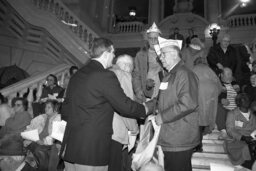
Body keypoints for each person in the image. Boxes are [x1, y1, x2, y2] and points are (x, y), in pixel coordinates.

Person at [60, 38, 153, 171]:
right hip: (92, 151)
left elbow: (66, 111)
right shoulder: (104, 75)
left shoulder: (77, 75)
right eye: (113, 53)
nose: (114, 56)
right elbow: (125, 105)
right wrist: (147, 108)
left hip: (71, 147)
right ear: (106, 53)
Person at [154, 37, 200, 171]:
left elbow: (188, 103)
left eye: (163, 54)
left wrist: (162, 117)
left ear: (174, 54)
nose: (160, 57)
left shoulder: (184, 74)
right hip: (171, 135)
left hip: (179, 137)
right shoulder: (170, 75)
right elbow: (161, 100)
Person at [109, 54, 139, 171]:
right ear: (127, 66)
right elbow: (127, 106)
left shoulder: (107, 73)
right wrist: (134, 129)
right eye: (132, 68)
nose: (131, 71)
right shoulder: (123, 75)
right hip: (116, 130)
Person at [133, 22, 164, 103]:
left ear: (159, 39)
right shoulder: (140, 55)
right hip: (146, 88)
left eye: (155, 38)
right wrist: (138, 90)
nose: (153, 41)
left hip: (163, 88)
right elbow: (136, 74)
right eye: (150, 38)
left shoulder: (166, 53)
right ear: (147, 39)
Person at [225, 93, 256, 170]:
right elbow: (230, 130)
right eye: (244, 99)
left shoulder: (253, 115)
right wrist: (243, 137)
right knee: (246, 148)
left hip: (251, 140)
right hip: (235, 141)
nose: (246, 101)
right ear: (238, 102)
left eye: (247, 99)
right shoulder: (232, 114)